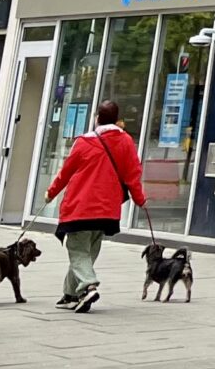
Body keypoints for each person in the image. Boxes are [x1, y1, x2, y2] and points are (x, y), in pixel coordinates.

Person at [45, 99, 144, 312]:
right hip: (107, 210)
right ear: (117, 120)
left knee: (78, 251)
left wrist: (50, 193)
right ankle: (70, 295)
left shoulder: (84, 142)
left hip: (81, 207)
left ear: (97, 118)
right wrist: (139, 199)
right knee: (86, 253)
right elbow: (133, 174)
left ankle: (89, 286)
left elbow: (66, 172)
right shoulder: (126, 141)